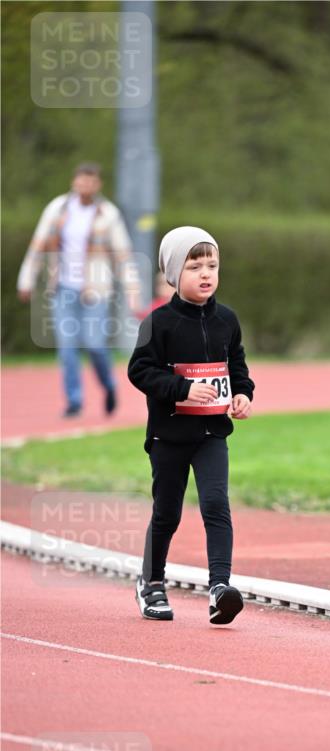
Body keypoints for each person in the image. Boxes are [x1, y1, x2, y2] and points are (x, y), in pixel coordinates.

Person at [128, 226, 255, 626]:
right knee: (167, 513)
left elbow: (236, 364)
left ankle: (220, 588)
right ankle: (151, 582)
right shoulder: (158, 322)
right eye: (195, 266)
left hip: (212, 434)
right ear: (172, 273)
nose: (206, 273)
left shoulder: (227, 320)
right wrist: (181, 389)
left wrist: (242, 393)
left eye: (212, 265)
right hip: (169, 435)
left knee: (216, 505)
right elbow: (139, 371)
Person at [17, 162, 140, 417]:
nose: (86, 185)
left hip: (96, 290)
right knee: (67, 347)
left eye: (91, 181)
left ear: (98, 184)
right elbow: (38, 245)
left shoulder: (108, 214)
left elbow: (123, 255)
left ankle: (108, 385)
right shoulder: (57, 209)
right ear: (75, 182)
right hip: (63, 288)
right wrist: (26, 280)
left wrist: (132, 290)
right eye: (82, 180)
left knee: (95, 345)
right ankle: (74, 401)